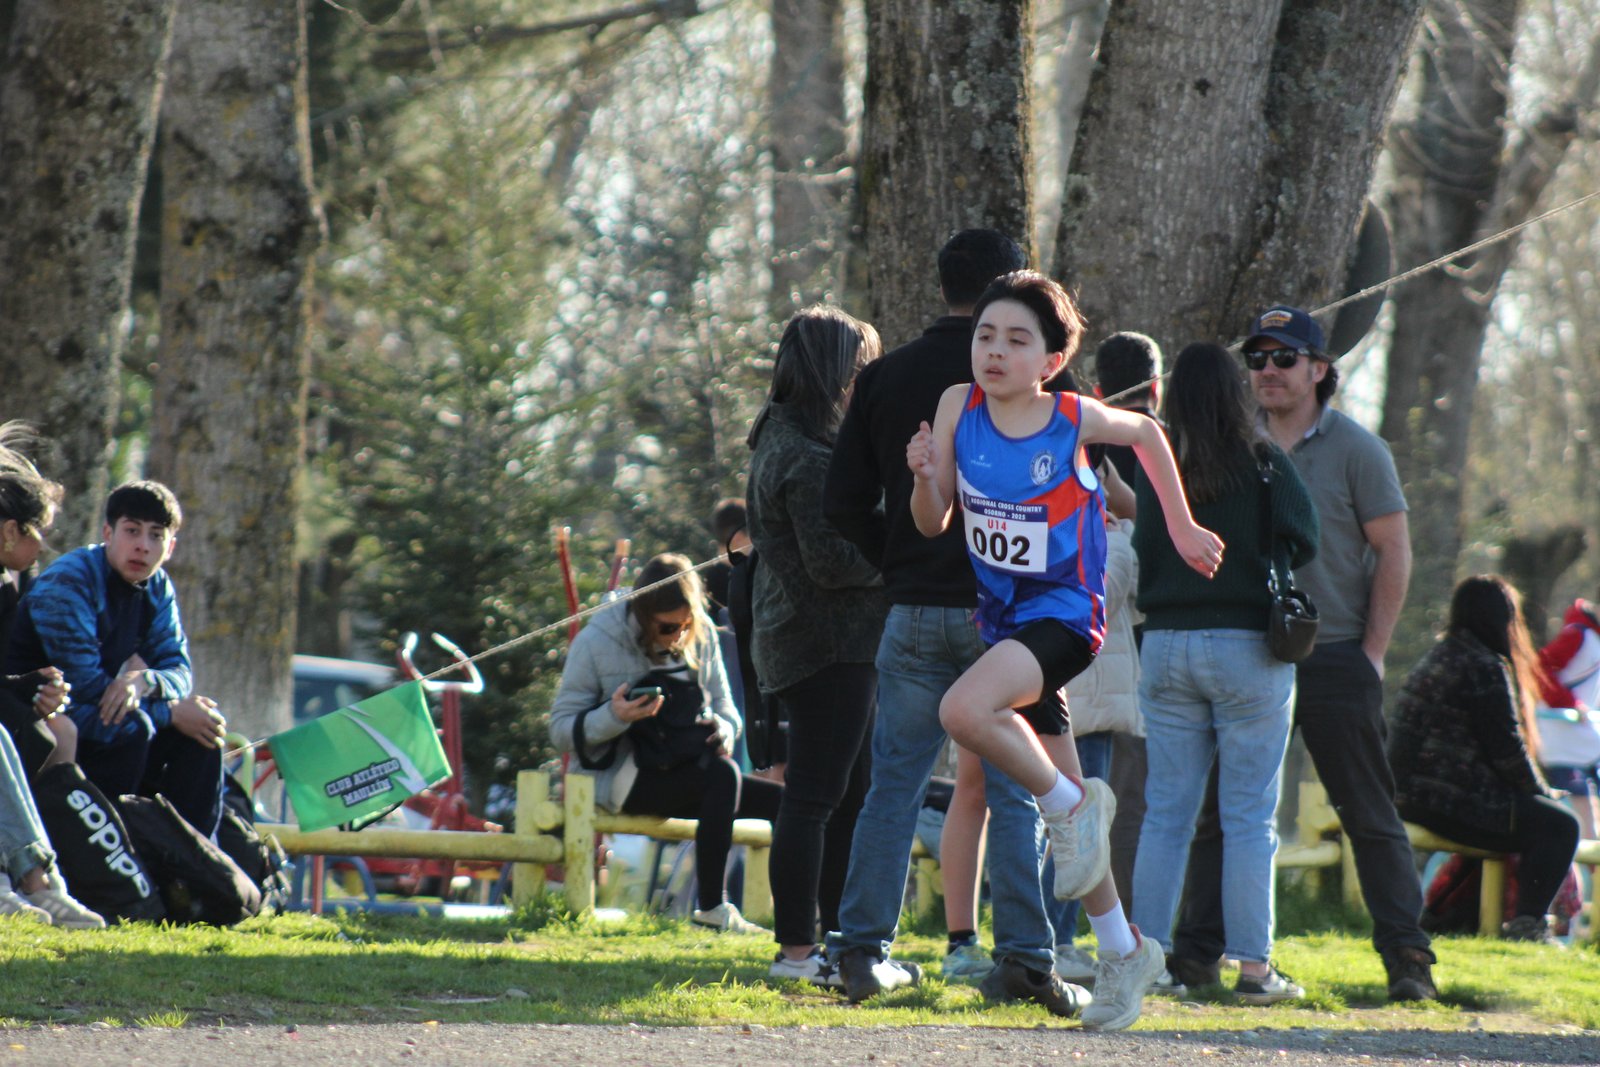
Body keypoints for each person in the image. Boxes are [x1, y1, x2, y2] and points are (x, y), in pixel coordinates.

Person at [907, 269, 1223, 1030]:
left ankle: (1067, 805)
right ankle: (1124, 950)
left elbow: (1147, 434)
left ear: (1050, 361)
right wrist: (923, 477)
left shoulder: (1072, 418)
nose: (995, 351)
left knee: (963, 711)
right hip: (1004, 622)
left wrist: (1177, 526)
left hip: (1066, 617)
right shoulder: (957, 406)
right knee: (1079, 844)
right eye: (985, 335)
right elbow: (931, 521)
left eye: (1017, 340)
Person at [822, 229, 1085, 1019]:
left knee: (892, 787)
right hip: (1005, 615)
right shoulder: (1037, 376)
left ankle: (861, 949)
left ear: (940, 284)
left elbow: (841, 500)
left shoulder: (885, 376)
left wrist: (896, 561)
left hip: (911, 607)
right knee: (1015, 789)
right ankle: (1027, 956)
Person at [1167, 305, 1437, 1001]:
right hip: (1245, 652)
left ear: (1320, 369)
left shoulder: (1359, 449)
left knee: (1367, 812)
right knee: (1223, 813)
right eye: (1256, 359)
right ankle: (1195, 956)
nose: (1268, 371)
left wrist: (1372, 651)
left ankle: (1409, 959)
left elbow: (1394, 550)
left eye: (1284, 357)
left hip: (1335, 653)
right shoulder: (1230, 445)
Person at [1129, 342, 1319, 1003]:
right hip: (1247, 647)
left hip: (1165, 643)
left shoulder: (1158, 464)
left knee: (1165, 813)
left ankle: (1148, 962)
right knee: (1248, 816)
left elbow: (1144, 543)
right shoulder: (1264, 463)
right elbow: (1306, 535)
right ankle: (1255, 971)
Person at [746, 306, 887, 984]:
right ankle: (797, 950)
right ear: (836, 373)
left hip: (818, 643)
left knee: (846, 799)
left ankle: (835, 939)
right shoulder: (805, 456)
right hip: (825, 646)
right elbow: (831, 562)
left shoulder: (782, 437)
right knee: (813, 800)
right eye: (862, 371)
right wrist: (899, 555)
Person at [549, 552, 782, 934]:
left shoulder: (700, 633)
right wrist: (615, 716)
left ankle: (798, 919)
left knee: (787, 803)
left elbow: (727, 708)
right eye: (668, 627)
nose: (678, 635)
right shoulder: (598, 639)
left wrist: (723, 728)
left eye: (685, 625)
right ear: (644, 615)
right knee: (723, 776)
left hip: (687, 768)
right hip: (622, 780)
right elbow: (559, 729)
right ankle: (711, 908)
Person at [5, 480, 228, 841]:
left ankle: (194, 859)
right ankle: (111, 856)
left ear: (170, 547)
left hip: (96, 709)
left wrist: (144, 681)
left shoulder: (157, 587)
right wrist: (171, 713)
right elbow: (85, 686)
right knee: (130, 728)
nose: (143, 545)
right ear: (108, 533)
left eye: (156, 536)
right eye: (132, 531)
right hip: (38, 711)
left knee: (204, 730)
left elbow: (178, 669)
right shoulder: (69, 582)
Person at [1389, 575, 1581, 944]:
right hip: (1450, 800)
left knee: (1500, 832)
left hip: (1409, 796)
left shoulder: (1439, 655)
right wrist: (1543, 793)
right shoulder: (1484, 665)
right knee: (1561, 826)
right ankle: (1528, 925)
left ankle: (1444, 914)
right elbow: (1507, 751)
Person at [0, 426, 103, 927]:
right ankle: (32, 881)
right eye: (37, 531)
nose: (43, 545)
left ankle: (37, 879)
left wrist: (33, 689)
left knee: (53, 731)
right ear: (9, 531)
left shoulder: (5, 587)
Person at [1090, 332, 1162, 911]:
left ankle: (1090, 914)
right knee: (1145, 796)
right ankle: (1136, 917)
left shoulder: (1088, 449)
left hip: (1094, 643)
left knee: (1096, 791)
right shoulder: (1175, 450)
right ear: (1157, 389)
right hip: (1158, 638)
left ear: (1096, 391)